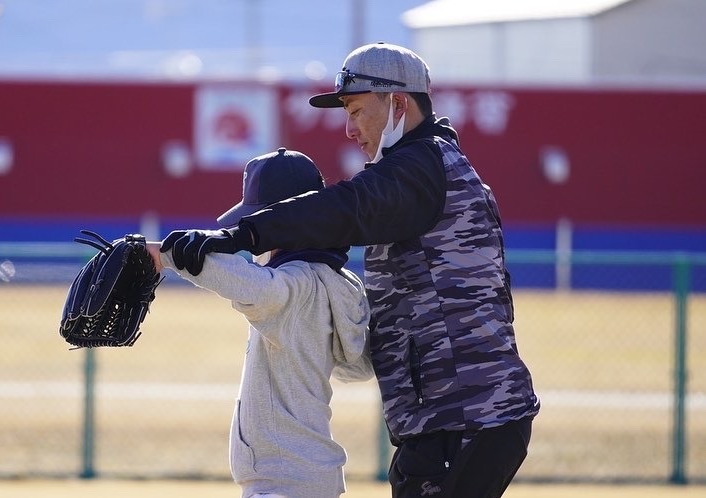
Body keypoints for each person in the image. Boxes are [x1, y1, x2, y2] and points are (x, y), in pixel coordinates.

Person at [163, 42, 540, 498]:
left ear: (398, 103)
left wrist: (237, 236)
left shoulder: (419, 169)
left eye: (357, 110)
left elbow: (345, 207)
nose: (349, 129)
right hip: (461, 416)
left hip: (465, 415)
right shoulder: (429, 168)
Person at [149, 147, 373, 498]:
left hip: (284, 481)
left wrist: (162, 254)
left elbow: (254, 286)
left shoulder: (294, 287)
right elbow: (354, 368)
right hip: (310, 477)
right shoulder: (336, 282)